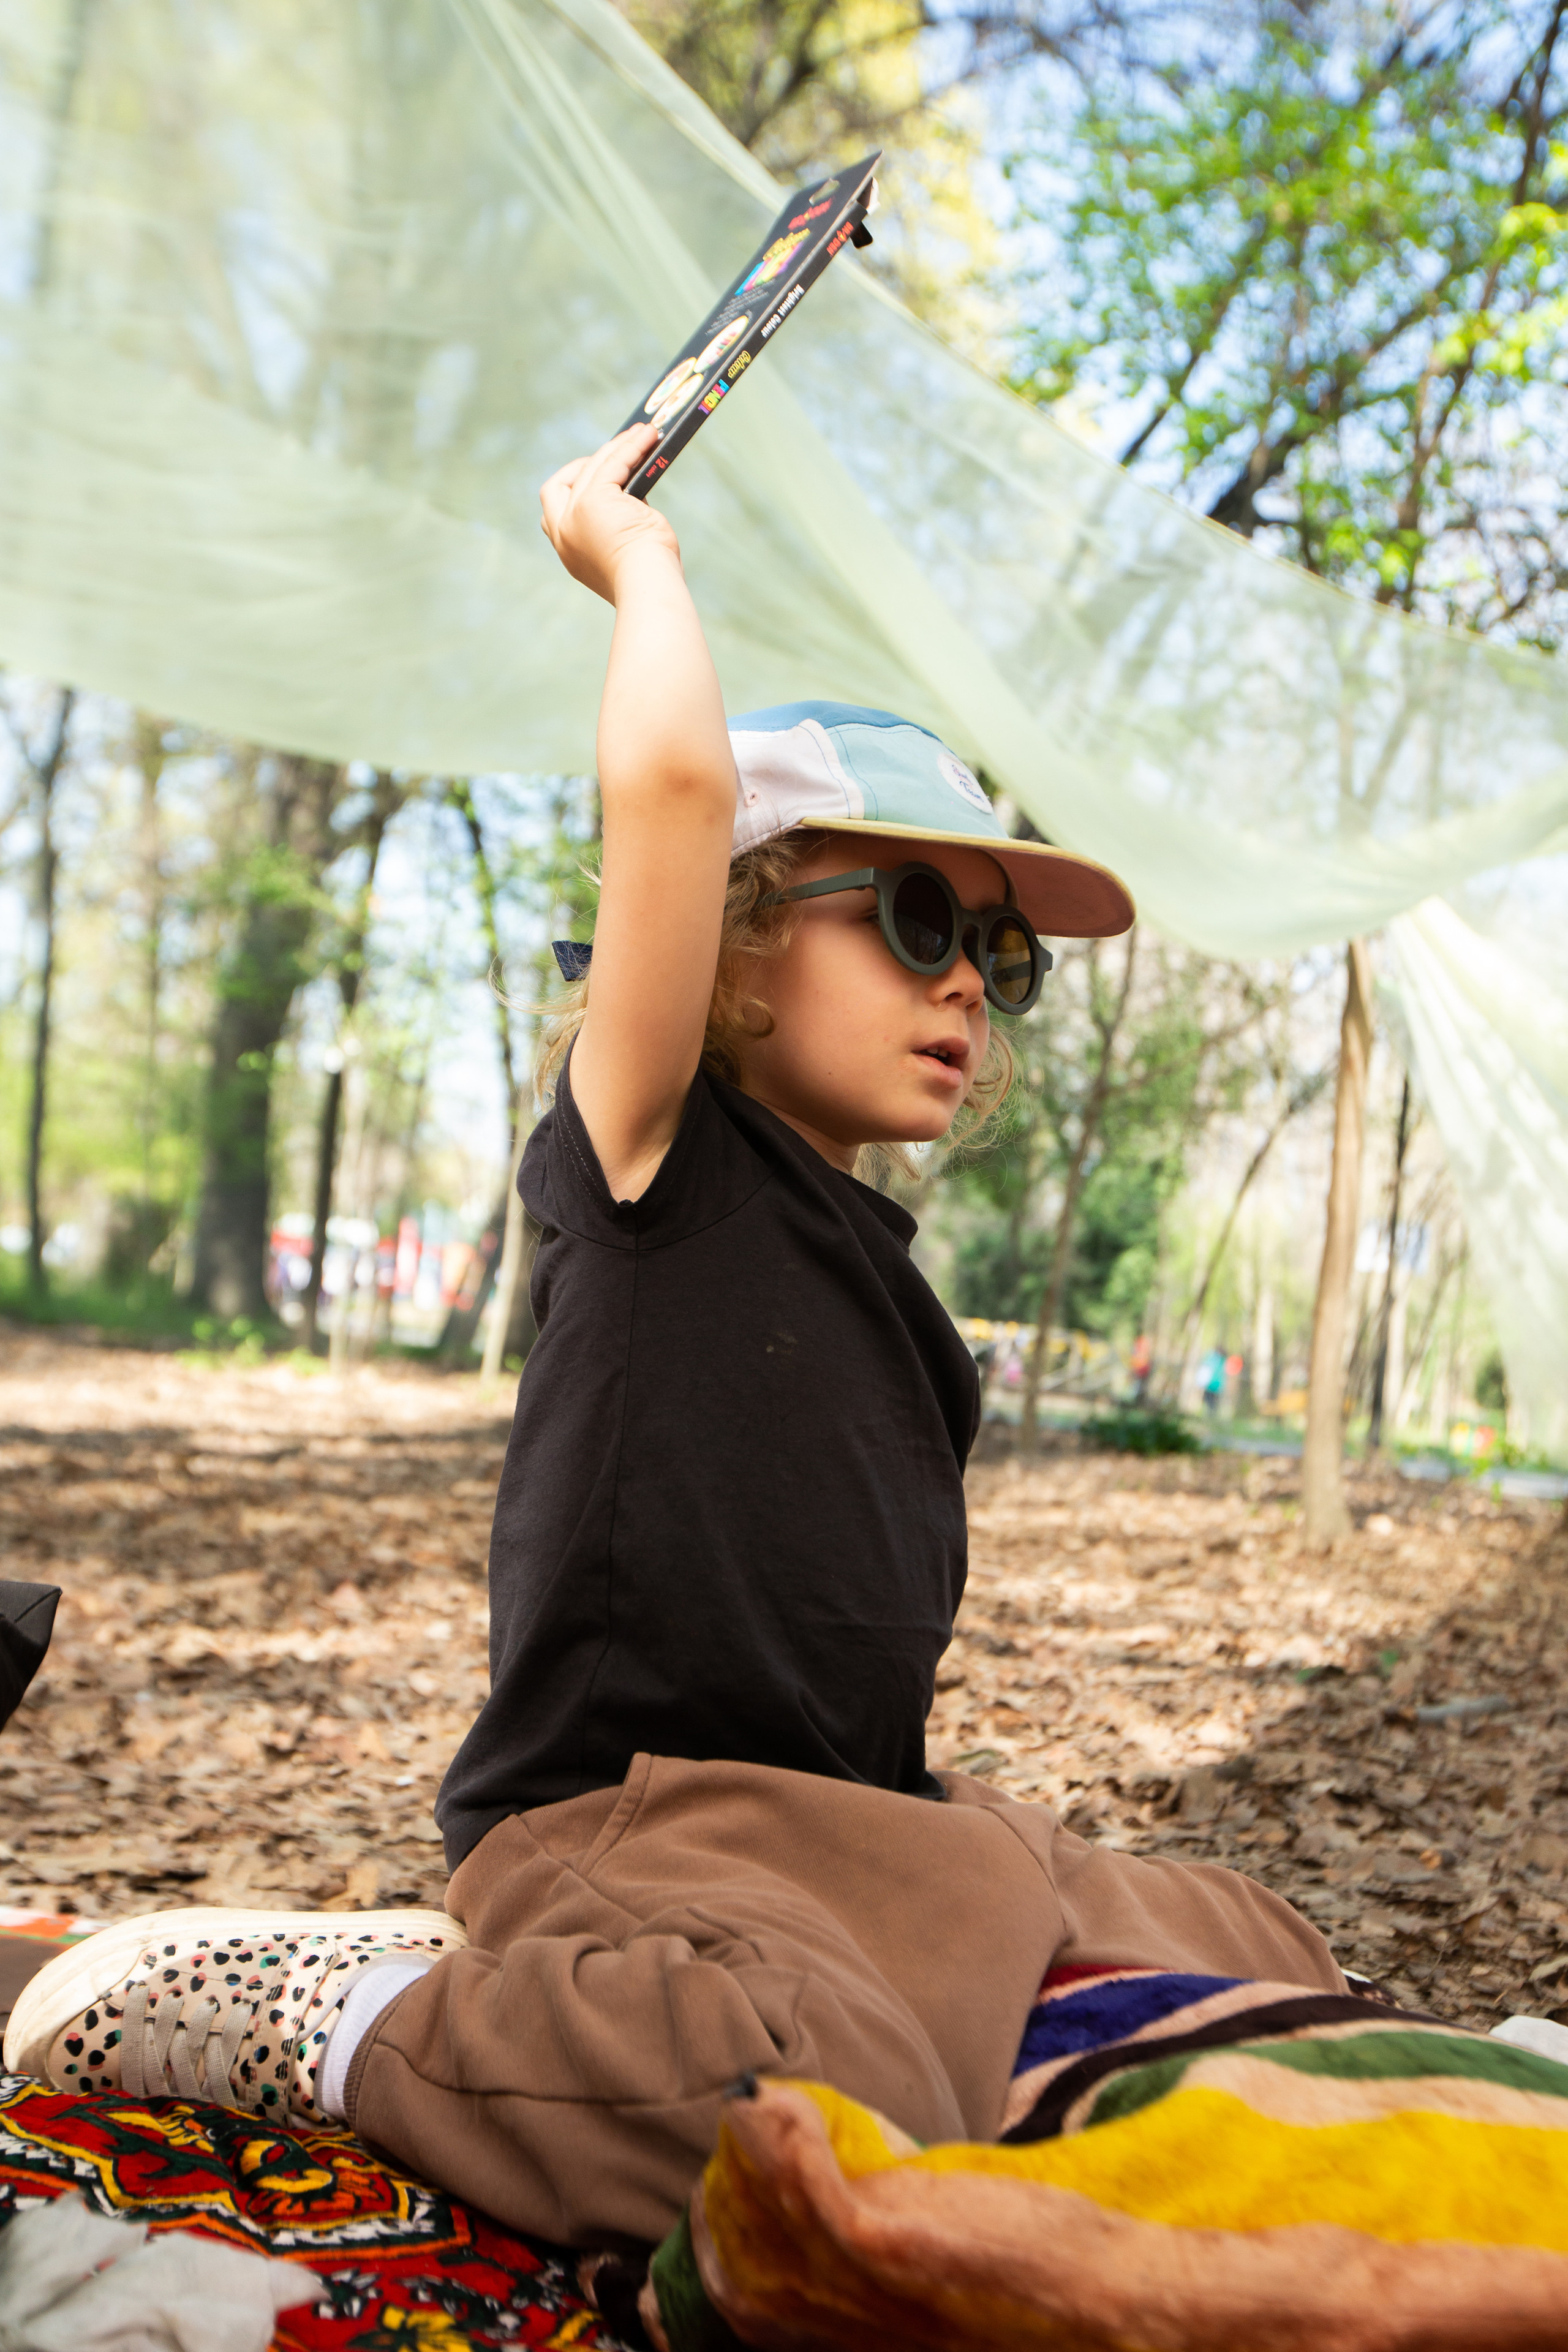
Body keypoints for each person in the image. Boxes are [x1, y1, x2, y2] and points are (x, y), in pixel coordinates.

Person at [6, 426, 1347, 2245]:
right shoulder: (655, 1169)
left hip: (862, 1831)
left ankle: (956, 2008)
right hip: (633, 1826)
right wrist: (640, 569)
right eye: (918, 915)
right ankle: (335, 2014)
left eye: (999, 955)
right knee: (800, 2105)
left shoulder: (894, 1293)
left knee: (1266, 1950)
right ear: (736, 933)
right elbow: (669, 799)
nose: (969, 976)